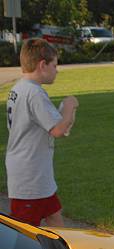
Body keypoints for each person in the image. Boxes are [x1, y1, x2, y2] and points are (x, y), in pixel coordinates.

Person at [5, 39, 79, 227]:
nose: (57, 70)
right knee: (24, 232)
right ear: (42, 65)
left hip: (35, 170)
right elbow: (58, 130)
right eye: (54, 65)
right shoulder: (34, 93)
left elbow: (48, 123)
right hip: (29, 174)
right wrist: (70, 106)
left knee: (54, 215)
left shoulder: (19, 87)